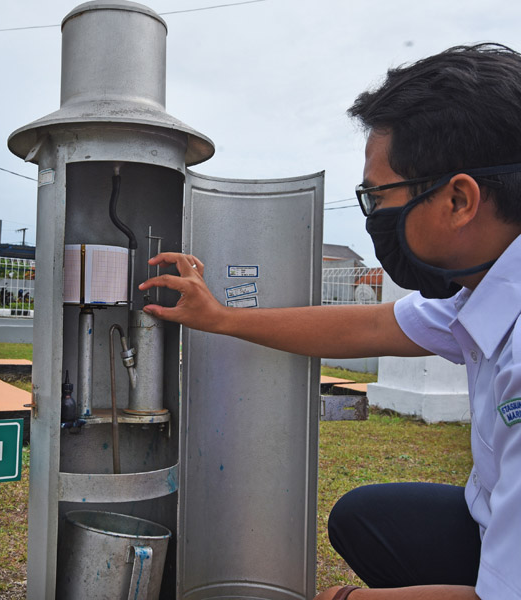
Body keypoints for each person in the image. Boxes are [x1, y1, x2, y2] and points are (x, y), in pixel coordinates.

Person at [139, 43, 521, 600]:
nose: (375, 215)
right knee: (366, 518)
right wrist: (220, 318)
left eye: (378, 195)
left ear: (459, 200)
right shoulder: (483, 294)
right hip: (494, 522)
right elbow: (367, 327)